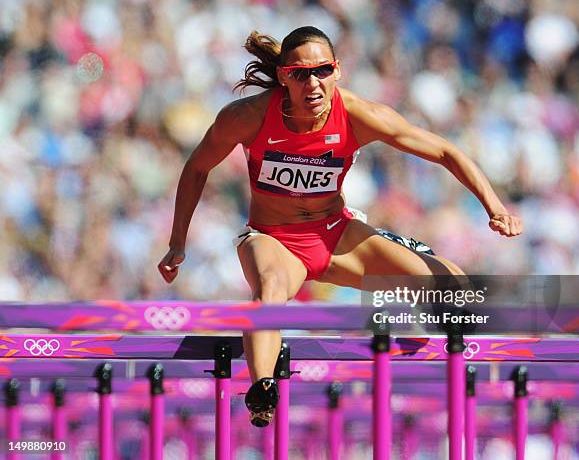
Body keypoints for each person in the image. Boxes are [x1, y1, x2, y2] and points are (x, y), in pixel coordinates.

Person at [158, 26, 523, 427]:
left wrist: (495, 207)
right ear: (283, 76)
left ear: (338, 70)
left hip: (336, 235)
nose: (313, 84)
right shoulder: (248, 117)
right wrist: (178, 243)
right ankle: (262, 389)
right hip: (274, 239)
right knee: (270, 290)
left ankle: (471, 341)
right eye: (300, 74)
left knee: (454, 290)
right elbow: (196, 168)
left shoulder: (357, 115)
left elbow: (444, 150)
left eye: (323, 71)